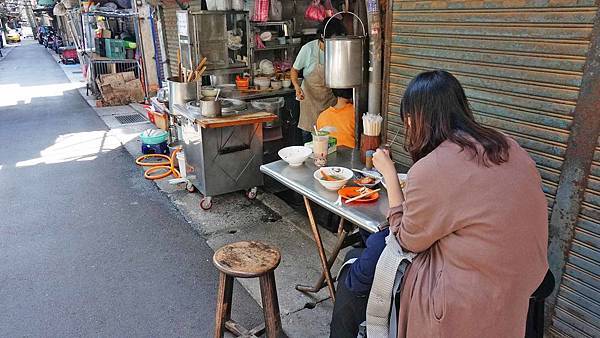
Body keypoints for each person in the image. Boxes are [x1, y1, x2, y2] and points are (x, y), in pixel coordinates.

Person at [330, 70, 549, 337]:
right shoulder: (507, 145)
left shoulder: (433, 167)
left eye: (407, 121)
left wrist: (388, 173)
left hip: (470, 299)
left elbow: (406, 240)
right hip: (529, 278)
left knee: (357, 265)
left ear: (414, 119)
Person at [291, 18, 347, 143]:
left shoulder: (338, 50)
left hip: (330, 103)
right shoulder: (308, 49)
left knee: (329, 140)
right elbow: (294, 70)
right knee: (309, 141)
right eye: (333, 39)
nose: (336, 42)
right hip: (310, 103)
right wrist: (297, 87)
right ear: (323, 36)